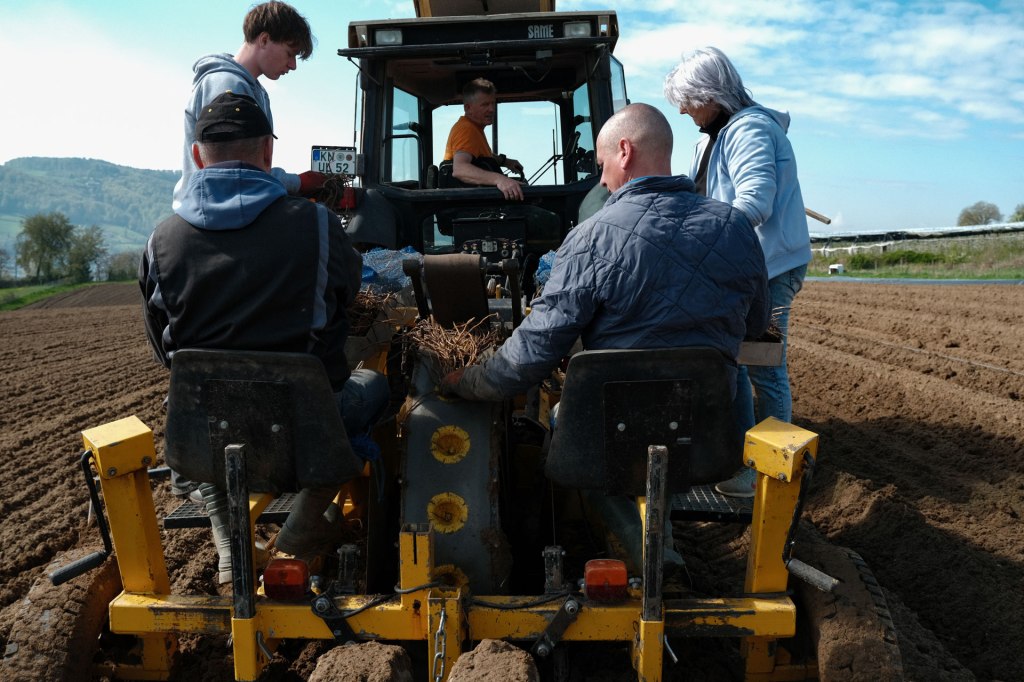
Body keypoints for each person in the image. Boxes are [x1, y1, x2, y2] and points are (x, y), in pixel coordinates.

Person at [141, 92, 388, 583]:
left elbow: (165, 350)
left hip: (204, 430)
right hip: (308, 426)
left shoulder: (160, 241)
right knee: (376, 388)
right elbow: (347, 293)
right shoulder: (317, 224)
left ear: (197, 157)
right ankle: (296, 536)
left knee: (213, 414)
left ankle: (229, 546)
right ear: (268, 153)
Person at [442, 103, 769, 402]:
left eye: (602, 165)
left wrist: (468, 380)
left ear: (624, 152)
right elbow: (756, 323)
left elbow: (534, 351)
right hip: (708, 428)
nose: (602, 181)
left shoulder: (589, 238)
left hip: (612, 430)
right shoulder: (735, 226)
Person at [664, 46, 812, 497]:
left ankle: (768, 473)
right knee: (738, 365)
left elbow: (755, 203)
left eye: (688, 101)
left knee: (765, 368)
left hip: (770, 269)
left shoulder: (750, 130)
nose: (684, 111)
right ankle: (743, 459)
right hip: (737, 269)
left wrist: (700, 236)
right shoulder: (710, 139)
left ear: (711, 94)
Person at [172, 1, 325, 211]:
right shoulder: (227, 86)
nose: (293, 65)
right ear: (264, 39)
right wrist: (298, 182)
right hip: (215, 216)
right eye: (290, 53)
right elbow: (234, 170)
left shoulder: (254, 90)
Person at [443, 78, 526, 201]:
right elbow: (460, 169)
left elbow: (479, 157)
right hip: (475, 208)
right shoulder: (467, 130)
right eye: (485, 105)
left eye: (493, 103)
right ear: (468, 108)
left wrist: (505, 161)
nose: (492, 109)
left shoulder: (474, 129)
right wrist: (500, 180)